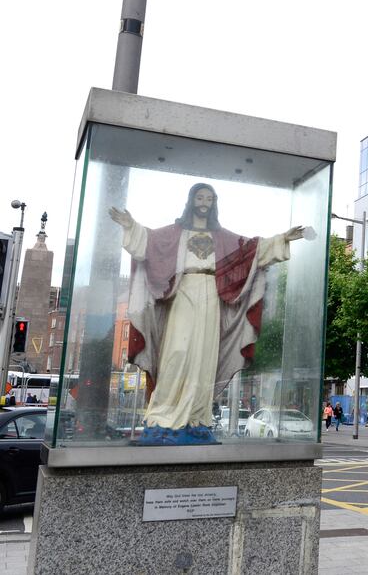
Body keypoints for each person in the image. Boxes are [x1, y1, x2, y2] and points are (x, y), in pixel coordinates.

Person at [109, 182, 305, 445]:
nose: (204, 202)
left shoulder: (223, 238)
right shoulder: (175, 233)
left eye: (209, 198)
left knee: (203, 356)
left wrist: (282, 238)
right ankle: (164, 414)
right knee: (176, 352)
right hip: (183, 292)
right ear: (191, 201)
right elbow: (148, 241)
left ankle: (196, 417)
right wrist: (130, 225)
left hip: (211, 297)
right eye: (200, 197)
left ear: (214, 204)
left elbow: (253, 250)